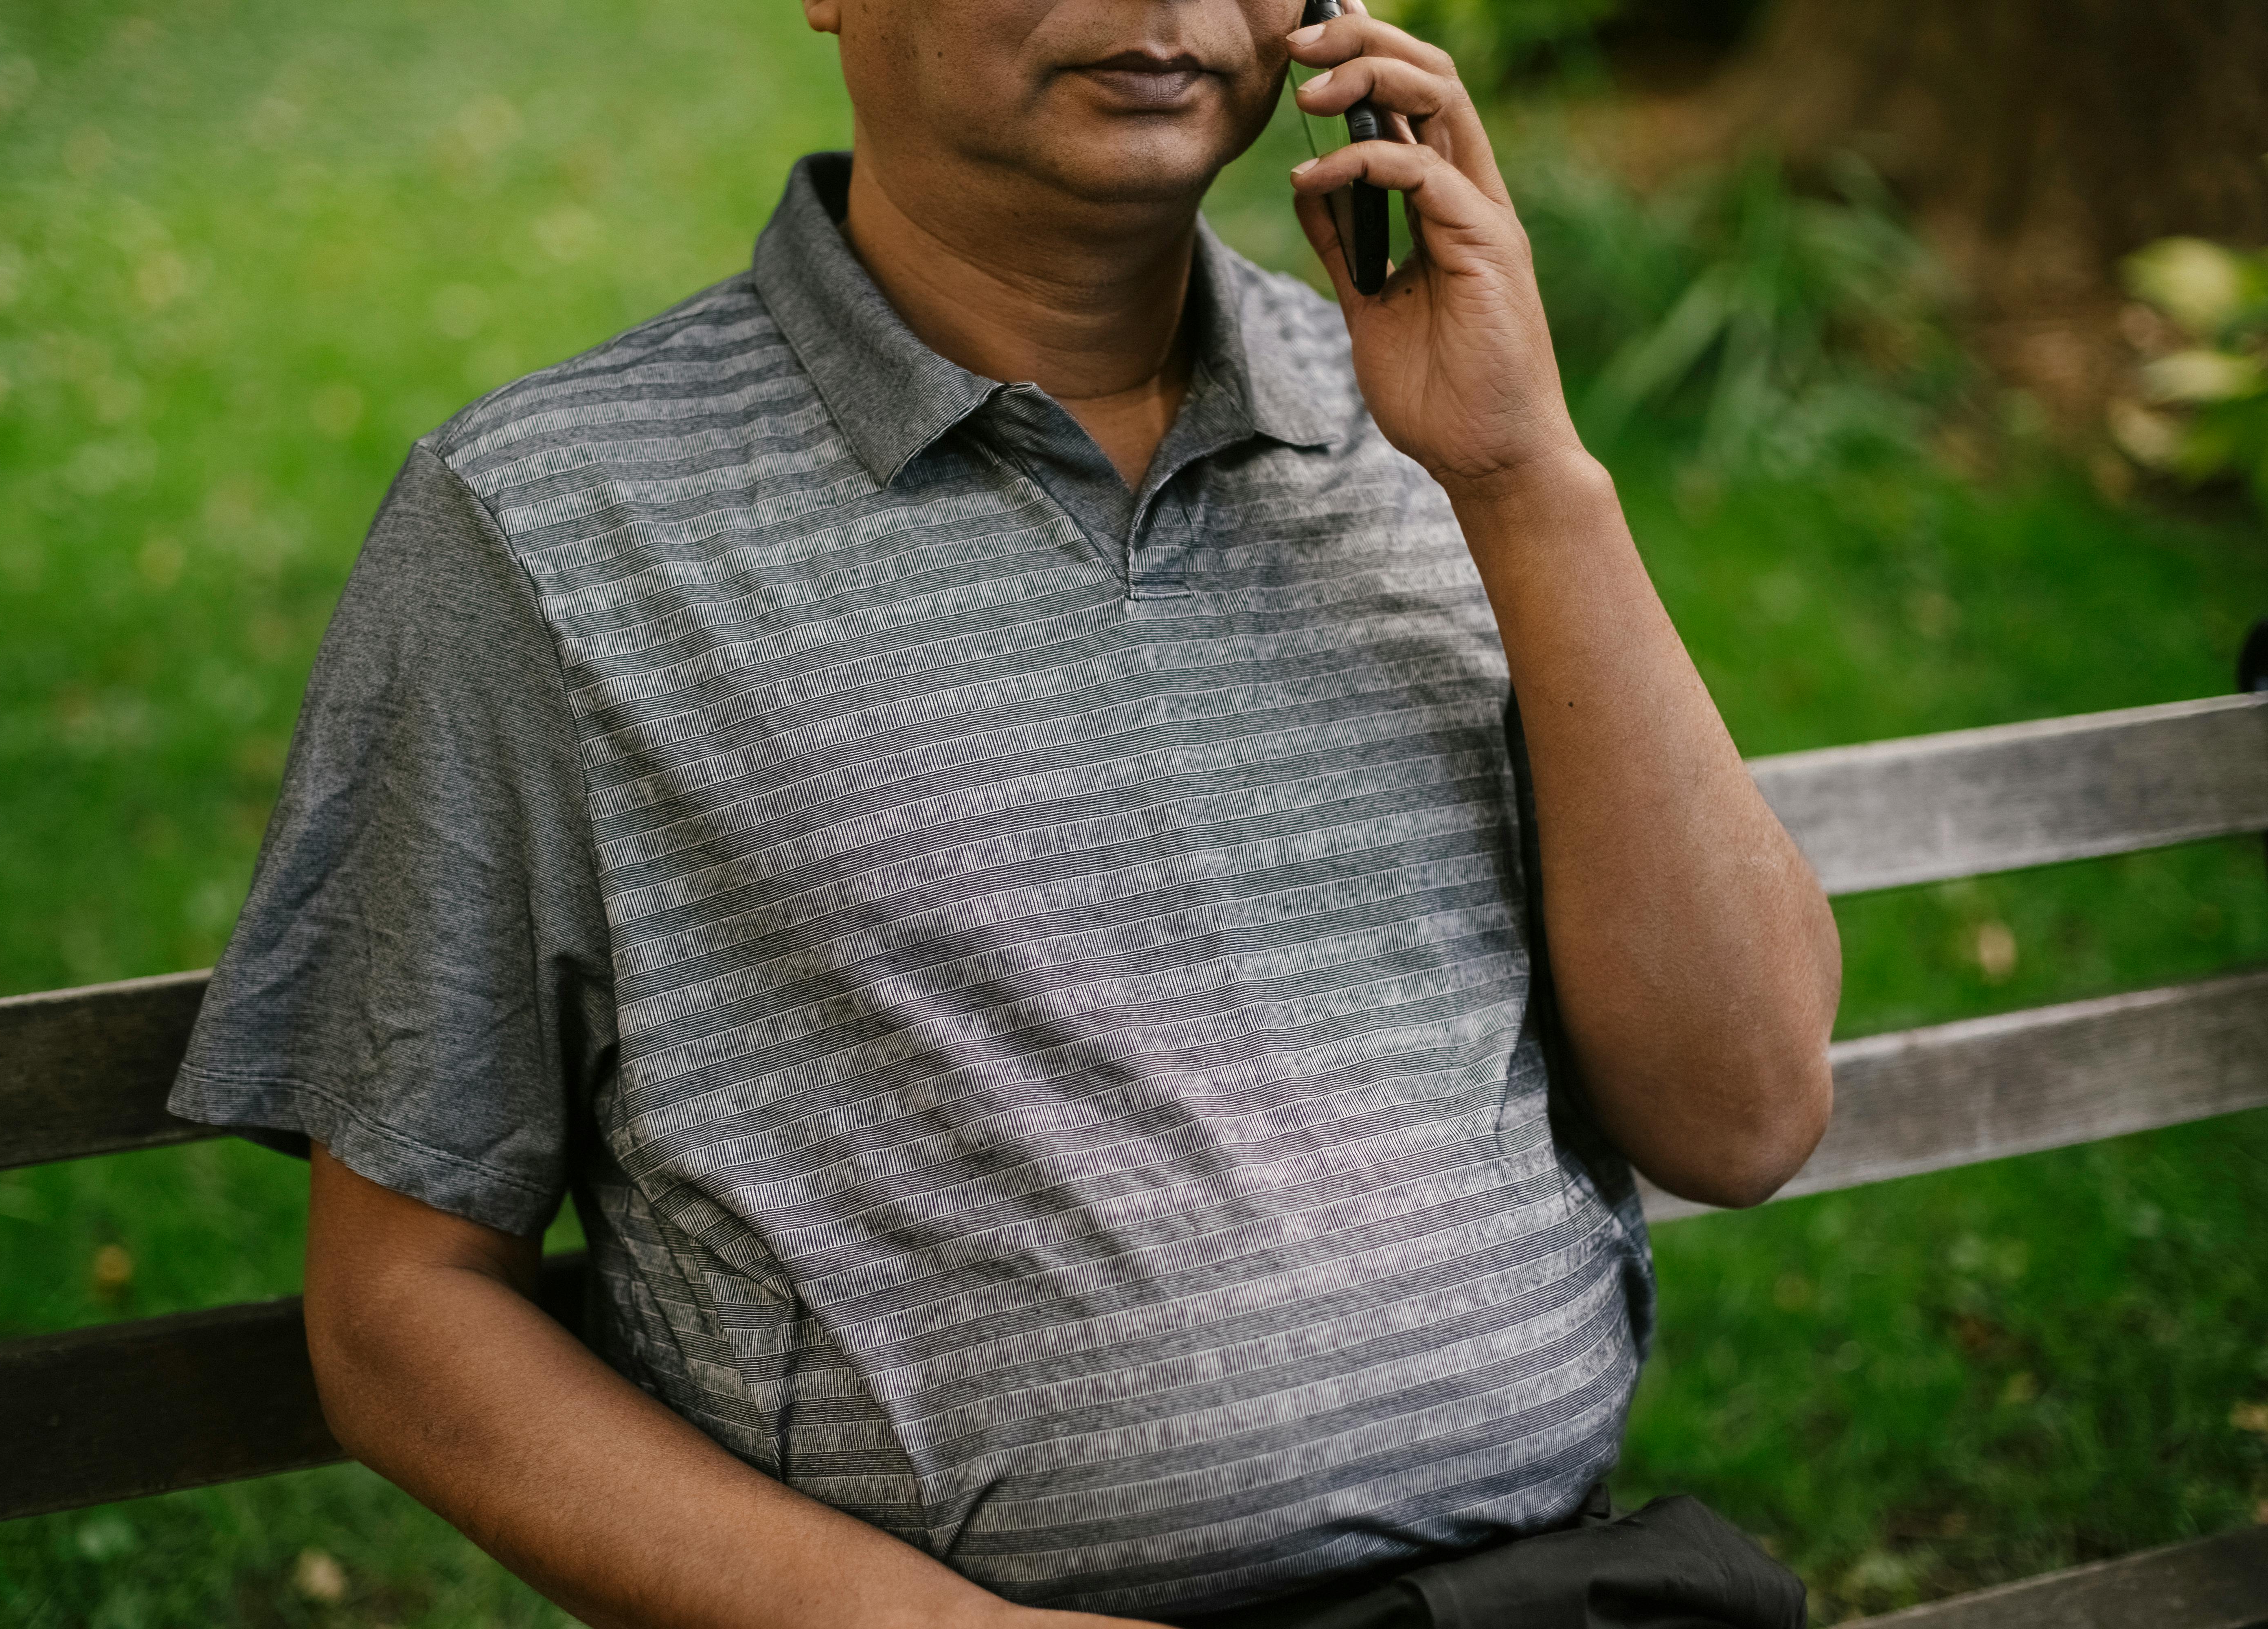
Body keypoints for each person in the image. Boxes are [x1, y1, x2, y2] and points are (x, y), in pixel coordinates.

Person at [169, 2, 1840, 1624]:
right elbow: (399, 1315)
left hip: (1554, 1589)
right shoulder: (543, 522)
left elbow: (1745, 1111)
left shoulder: (1439, 428)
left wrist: (1526, 476)